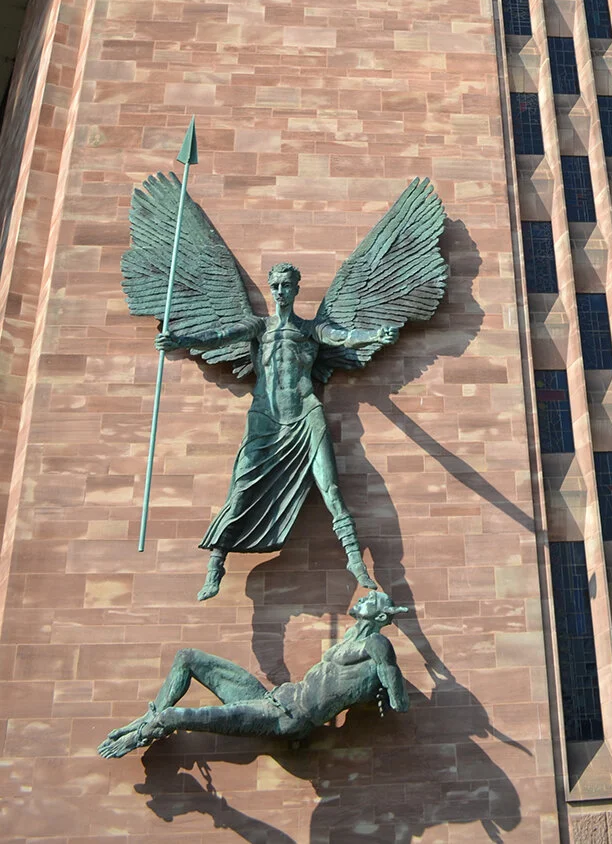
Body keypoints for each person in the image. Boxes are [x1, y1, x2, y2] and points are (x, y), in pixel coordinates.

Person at [159, 262, 396, 599]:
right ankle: (215, 566)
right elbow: (221, 337)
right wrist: (180, 340)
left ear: (296, 289)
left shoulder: (310, 329)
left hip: (306, 413)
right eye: (276, 286)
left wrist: (374, 336)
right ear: (271, 289)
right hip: (265, 417)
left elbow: (343, 337)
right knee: (240, 489)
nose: (281, 292)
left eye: (287, 285)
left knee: (330, 488)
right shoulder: (259, 327)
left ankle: (355, 561)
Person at [98, 590, 409, 757]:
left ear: (382, 617)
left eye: (372, 600)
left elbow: (398, 697)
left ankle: (140, 736)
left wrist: (387, 689)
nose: (364, 597)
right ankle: (150, 716)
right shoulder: (353, 640)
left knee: (176, 717)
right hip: (271, 700)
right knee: (187, 658)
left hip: (287, 717)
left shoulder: (377, 644)